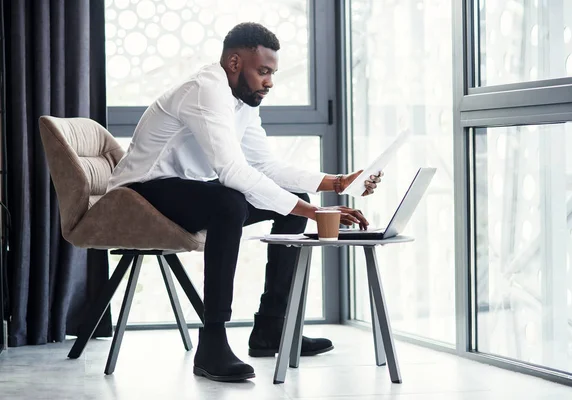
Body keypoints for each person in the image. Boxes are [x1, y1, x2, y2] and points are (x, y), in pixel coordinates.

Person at [107, 22, 383, 382]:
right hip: (139, 193)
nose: (269, 81)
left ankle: (272, 327)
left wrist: (334, 183)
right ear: (235, 62)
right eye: (263, 71)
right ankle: (212, 344)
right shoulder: (206, 90)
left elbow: (264, 164)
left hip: (184, 189)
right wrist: (316, 213)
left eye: (272, 73)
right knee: (230, 203)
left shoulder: (243, 100)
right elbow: (233, 172)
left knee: (289, 199)